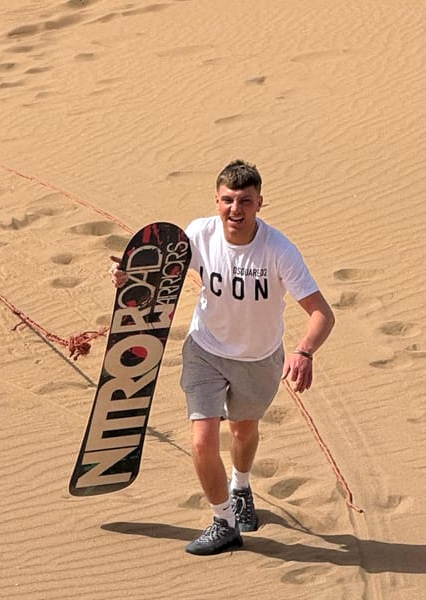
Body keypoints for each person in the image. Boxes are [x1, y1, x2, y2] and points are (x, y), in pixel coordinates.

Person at [110, 159, 335, 555]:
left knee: (244, 432)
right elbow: (160, 279)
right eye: (228, 200)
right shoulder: (199, 234)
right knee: (202, 441)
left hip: (258, 359)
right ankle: (224, 521)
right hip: (205, 351)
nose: (236, 209)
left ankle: (241, 485)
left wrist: (304, 352)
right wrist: (131, 279)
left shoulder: (279, 250)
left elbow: (322, 313)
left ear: (260, 203)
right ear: (216, 201)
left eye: (245, 201)